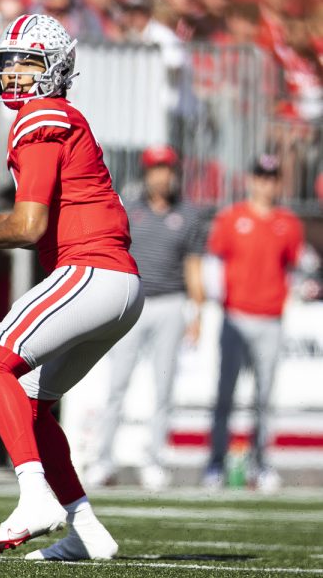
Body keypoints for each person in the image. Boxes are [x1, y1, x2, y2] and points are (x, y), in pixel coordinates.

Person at [0, 14, 142, 560]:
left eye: (28, 61)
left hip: (90, 271)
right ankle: (89, 533)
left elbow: (31, 229)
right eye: (9, 62)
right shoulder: (58, 116)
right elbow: (41, 218)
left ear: (56, 68)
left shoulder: (41, 116)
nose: (15, 74)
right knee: (34, 402)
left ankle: (34, 497)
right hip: (114, 282)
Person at [84, 144, 206, 491]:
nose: (162, 176)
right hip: (132, 302)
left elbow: (193, 267)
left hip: (171, 303)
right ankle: (103, 460)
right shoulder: (129, 210)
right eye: (156, 169)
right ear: (146, 173)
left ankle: (154, 460)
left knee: (163, 387)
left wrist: (196, 314)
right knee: (117, 385)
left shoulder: (190, 215)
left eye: (167, 169)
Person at [202, 154, 304, 493]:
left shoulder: (288, 223)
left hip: (270, 319)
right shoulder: (232, 218)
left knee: (264, 397)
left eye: (272, 177)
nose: (266, 183)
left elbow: (294, 266)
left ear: (278, 183)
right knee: (225, 395)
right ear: (252, 180)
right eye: (261, 176)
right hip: (235, 316)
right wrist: (216, 302)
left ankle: (262, 464)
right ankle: (215, 462)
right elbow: (213, 261)